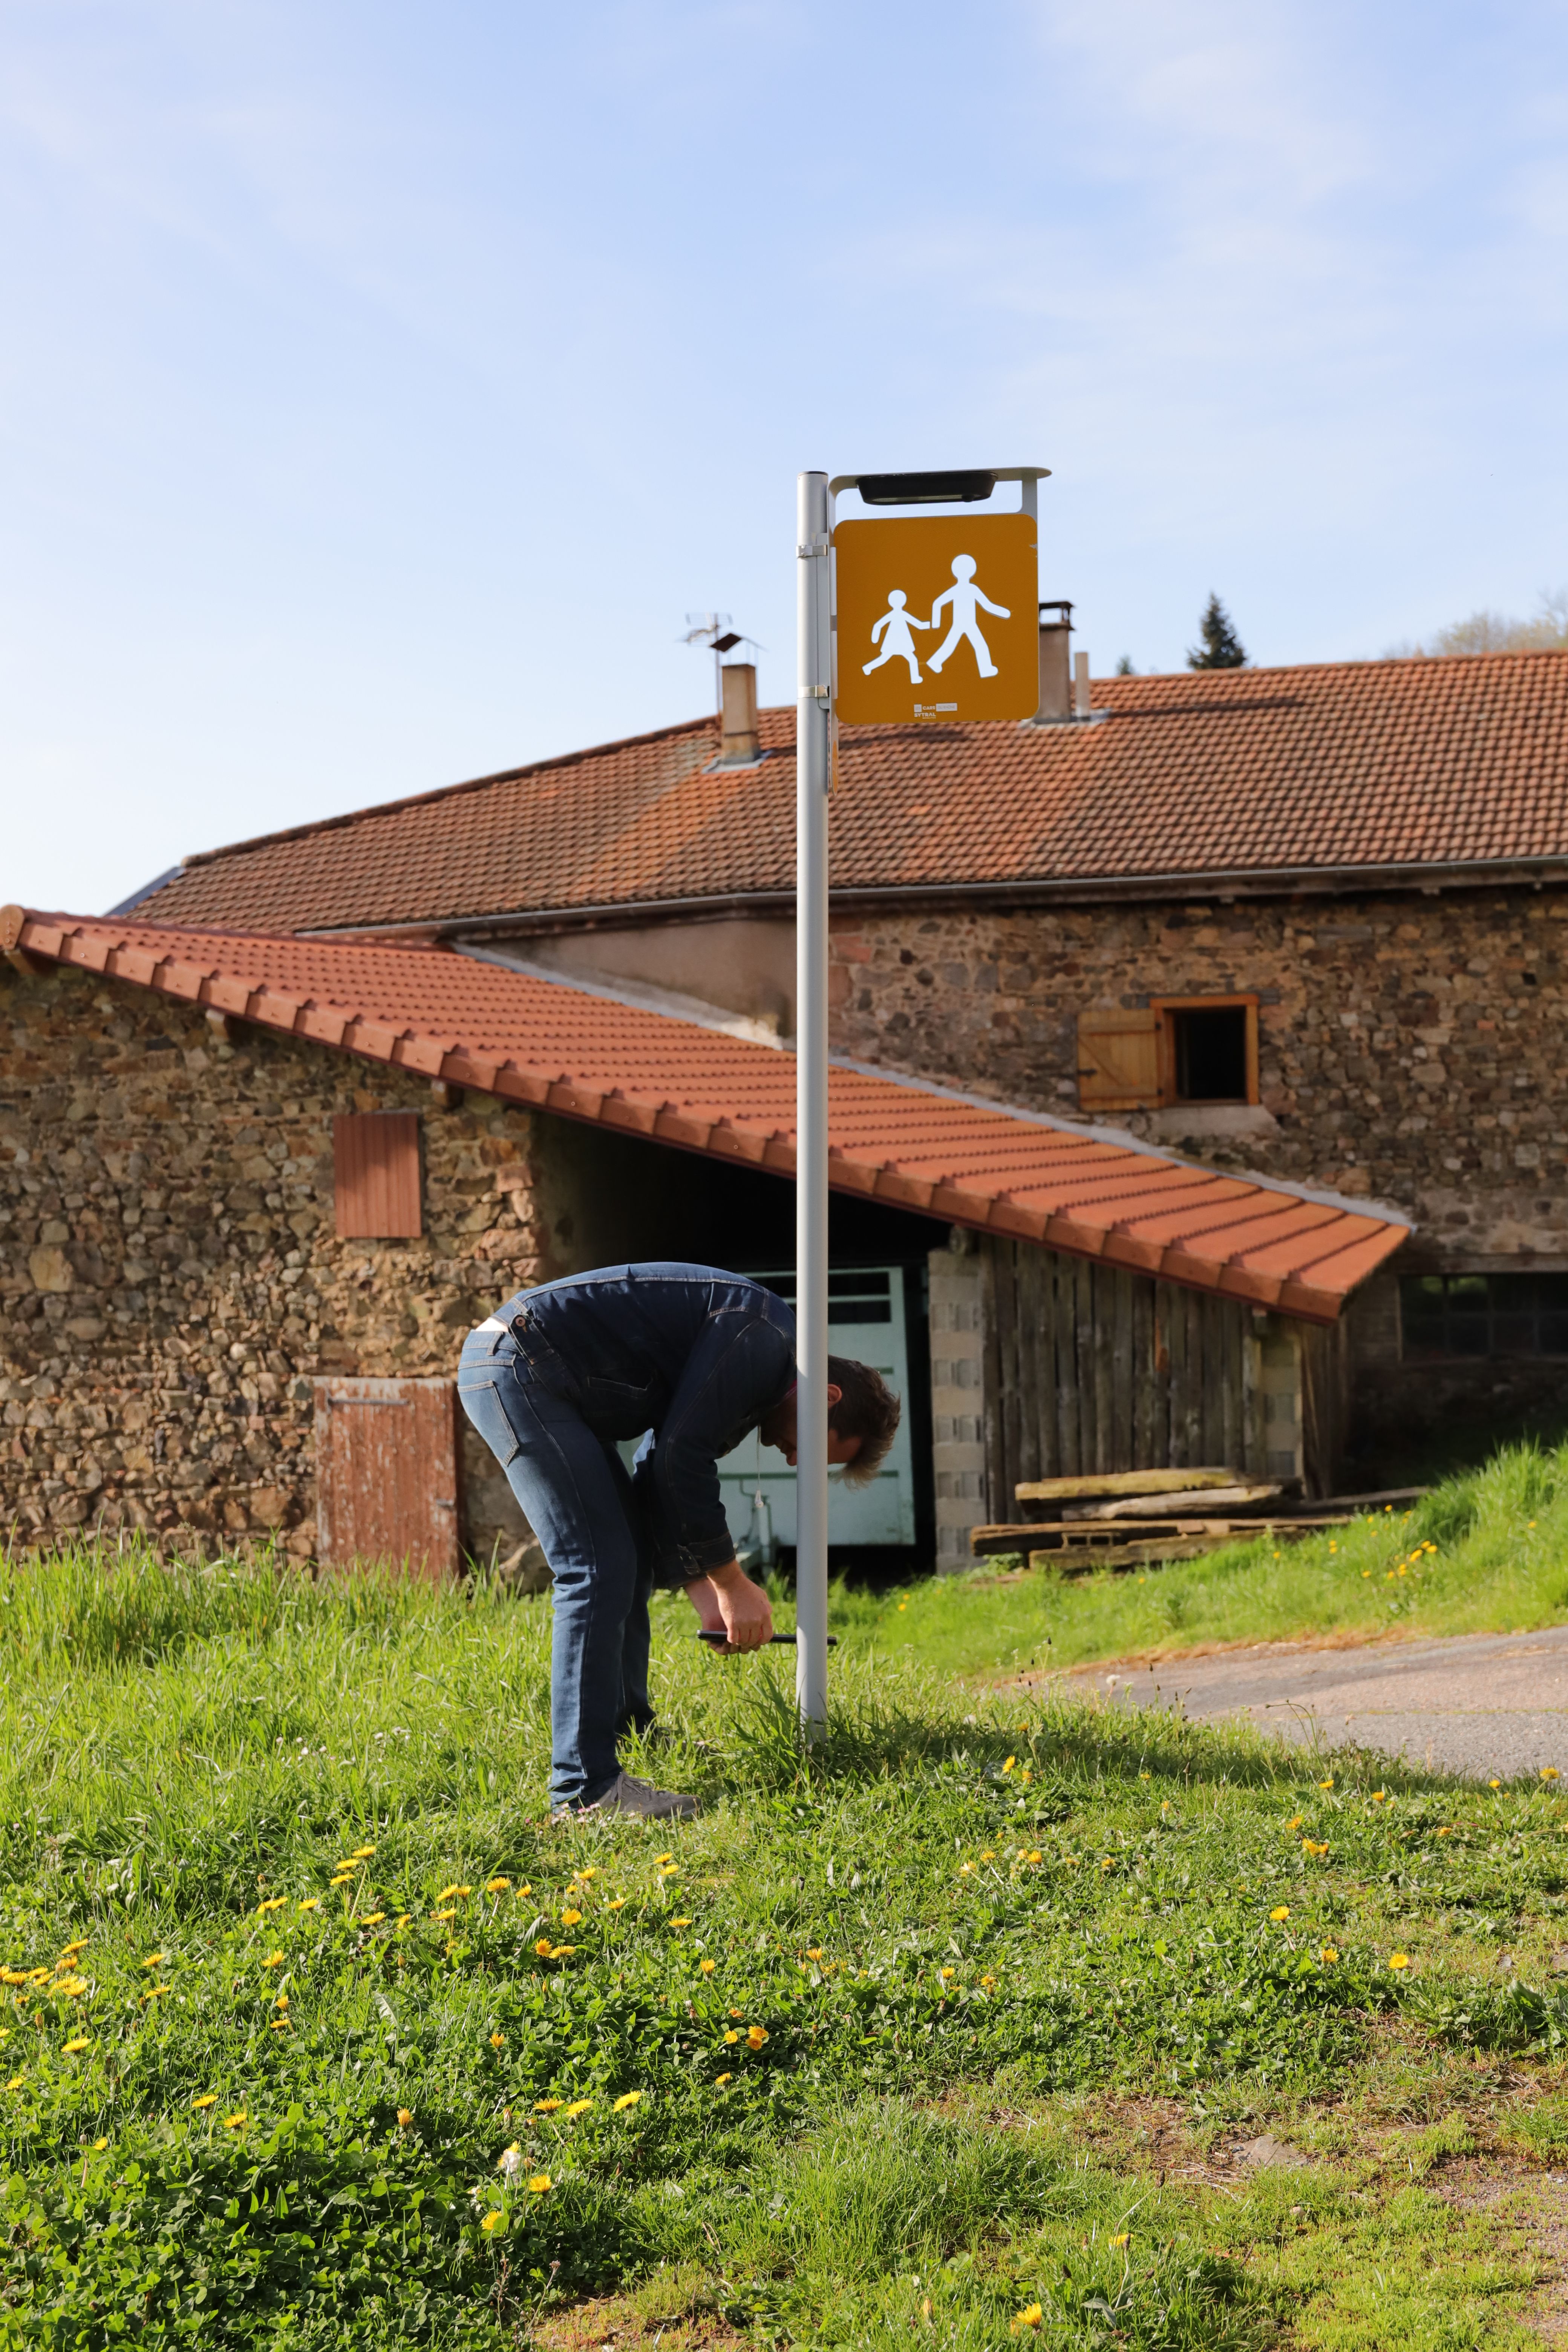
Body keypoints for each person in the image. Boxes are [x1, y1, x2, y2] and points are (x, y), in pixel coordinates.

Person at [457, 1263, 902, 1822]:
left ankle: (629, 1736)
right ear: (829, 1397)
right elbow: (679, 1460)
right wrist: (732, 1584)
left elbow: (657, 1463)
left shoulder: (761, 1371)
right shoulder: (762, 1339)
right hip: (520, 1366)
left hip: (537, 1371)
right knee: (595, 1568)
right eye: (812, 1450)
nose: (794, 1460)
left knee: (627, 1557)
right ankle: (584, 1792)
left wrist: (704, 1591)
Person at [926, 554, 1009, 678]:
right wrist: (936, 624)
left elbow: (937, 603)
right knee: (979, 645)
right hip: (966, 623)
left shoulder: (963, 589)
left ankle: (935, 662)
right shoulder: (970, 589)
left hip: (965, 623)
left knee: (953, 645)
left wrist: (1004, 613)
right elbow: (988, 606)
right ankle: (986, 670)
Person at [863, 589, 930, 683]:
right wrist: (928, 625)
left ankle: (868, 668)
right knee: (910, 659)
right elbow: (879, 625)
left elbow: (878, 625)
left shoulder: (897, 614)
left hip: (897, 642)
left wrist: (876, 639)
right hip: (898, 641)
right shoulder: (900, 614)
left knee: (907, 659)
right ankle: (915, 678)